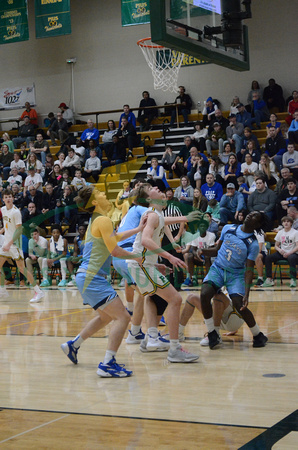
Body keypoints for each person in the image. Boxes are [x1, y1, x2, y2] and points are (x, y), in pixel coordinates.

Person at [60, 185, 147, 377]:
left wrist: (138, 229)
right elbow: (115, 250)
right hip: (92, 278)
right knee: (123, 317)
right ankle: (107, 364)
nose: (104, 195)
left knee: (106, 317)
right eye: (100, 194)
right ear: (94, 202)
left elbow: (114, 237)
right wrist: (136, 257)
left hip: (87, 277)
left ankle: (73, 345)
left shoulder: (97, 220)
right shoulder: (104, 220)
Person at [127, 185, 199, 363]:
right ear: (149, 199)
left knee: (152, 297)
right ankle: (175, 349)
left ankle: (148, 340)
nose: (158, 188)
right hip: (141, 265)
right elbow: (145, 239)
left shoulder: (156, 213)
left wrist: (185, 218)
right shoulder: (151, 214)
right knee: (175, 299)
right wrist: (169, 257)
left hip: (142, 264)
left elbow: (164, 222)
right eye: (153, 189)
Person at [200, 211, 269, 349]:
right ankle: (212, 333)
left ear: (258, 224)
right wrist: (203, 251)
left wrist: (247, 293)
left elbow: (249, 270)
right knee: (204, 294)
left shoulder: (253, 244)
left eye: (255, 216)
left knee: (239, 304)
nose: (250, 215)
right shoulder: (228, 228)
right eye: (251, 213)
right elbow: (216, 250)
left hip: (236, 274)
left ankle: (258, 335)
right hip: (218, 268)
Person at [0, 189, 44, 302]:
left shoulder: (16, 212)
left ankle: (38, 291)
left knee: (21, 269)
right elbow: (7, 225)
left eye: (10, 196)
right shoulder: (3, 210)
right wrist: (1, 232)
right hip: (6, 243)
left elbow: (19, 230)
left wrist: (9, 244)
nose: (8, 198)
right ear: (3, 199)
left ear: (13, 198)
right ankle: (2, 291)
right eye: (6, 197)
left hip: (15, 244)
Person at [179, 289, 245, 345]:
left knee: (218, 295)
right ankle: (179, 333)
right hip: (221, 317)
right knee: (191, 298)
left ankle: (214, 335)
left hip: (234, 317)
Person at [262, 216, 298, 288]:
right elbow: (276, 245)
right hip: (282, 253)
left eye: (288, 221)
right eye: (284, 221)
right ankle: (269, 279)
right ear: (282, 223)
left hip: (292, 253)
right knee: (268, 258)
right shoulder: (280, 232)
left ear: (291, 223)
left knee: (292, 258)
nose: (286, 223)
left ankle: (293, 279)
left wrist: (289, 253)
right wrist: (280, 250)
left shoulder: (295, 232)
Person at [182, 218, 216, 287]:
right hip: (197, 256)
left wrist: (202, 253)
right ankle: (192, 278)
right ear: (198, 227)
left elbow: (211, 250)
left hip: (207, 257)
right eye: (201, 226)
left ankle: (207, 279)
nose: (202, 227)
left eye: (204, 226)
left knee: (207, 257)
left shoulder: (211, 235)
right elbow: (194, 249)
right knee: (190, 256)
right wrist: (197, 256)